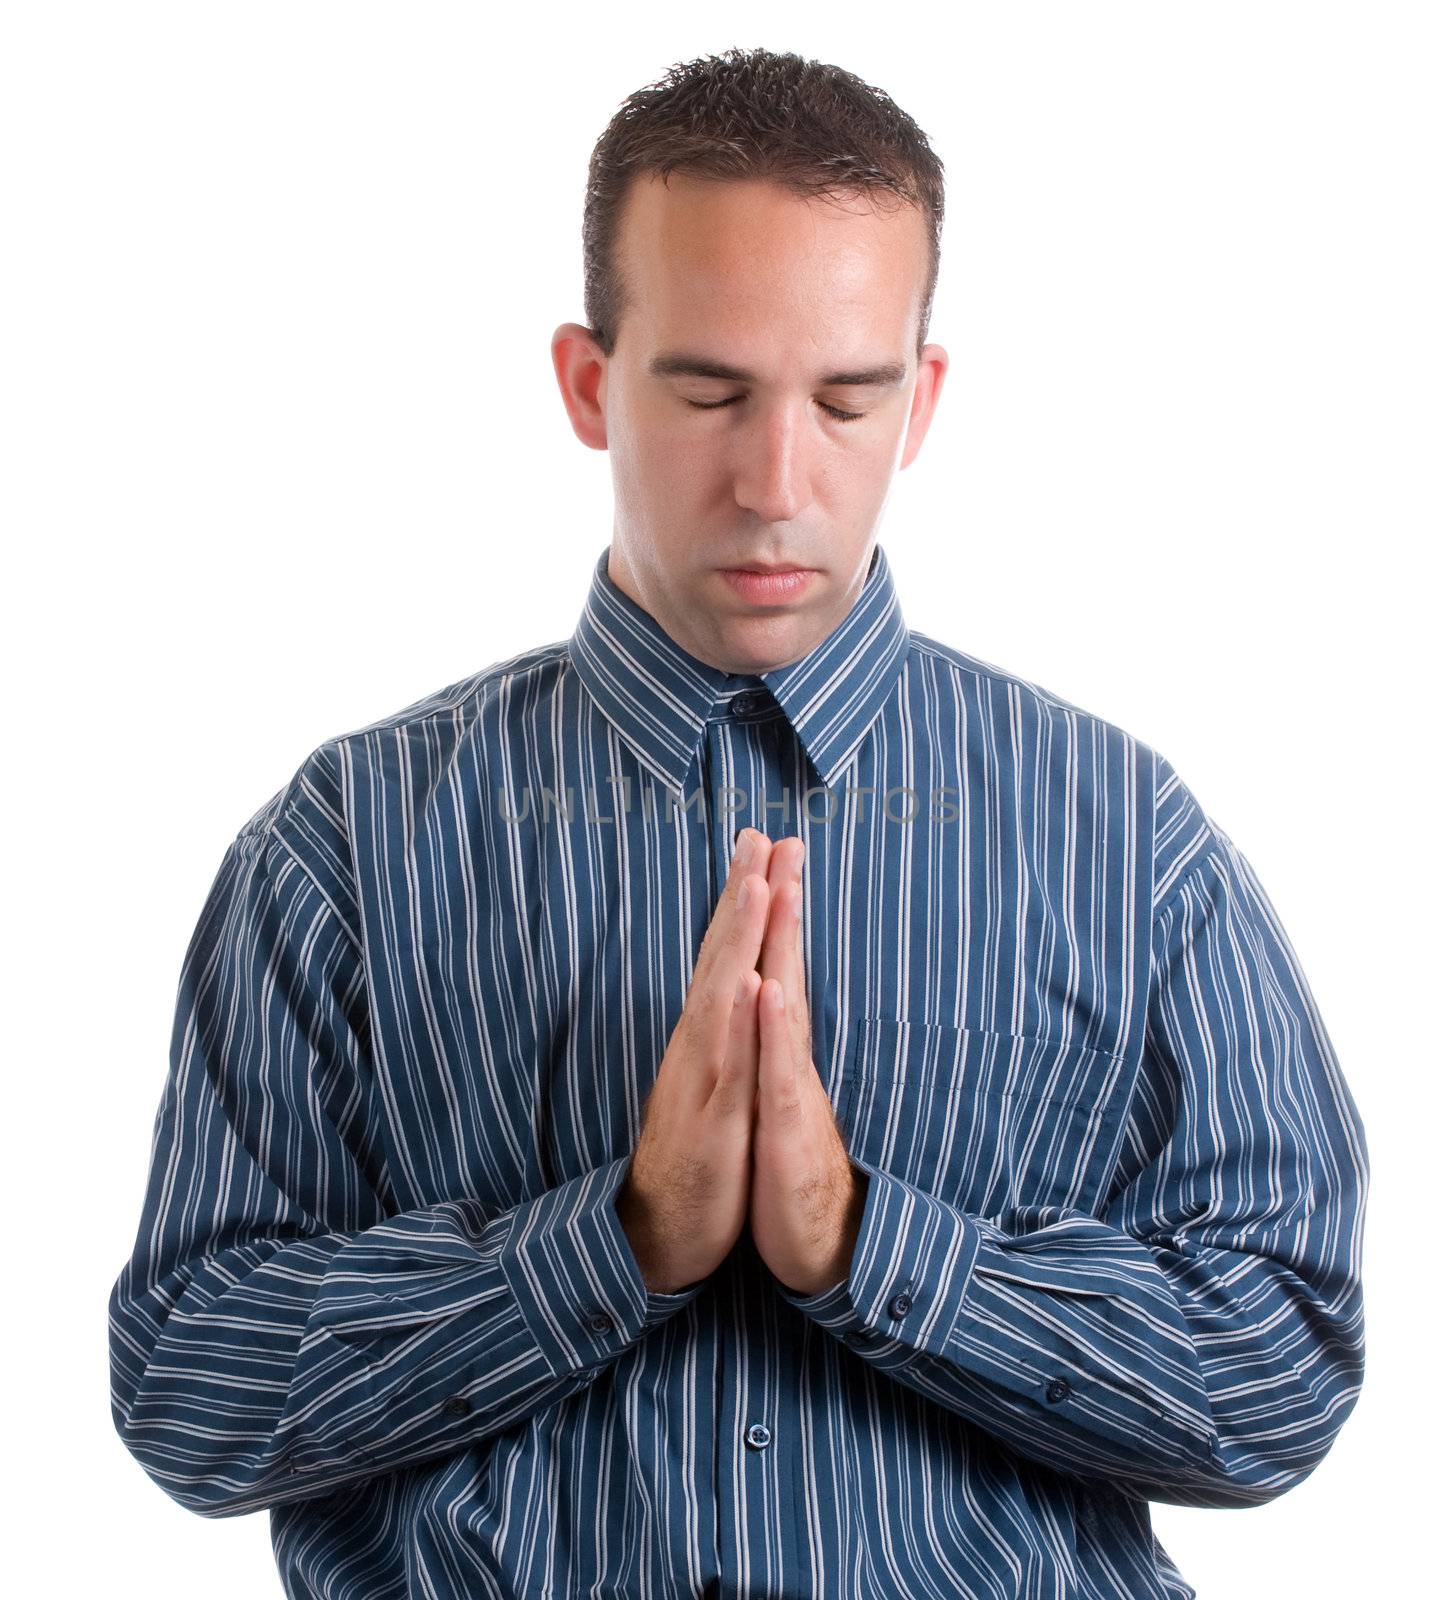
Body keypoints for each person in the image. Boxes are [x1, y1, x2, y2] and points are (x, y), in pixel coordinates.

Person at [107, 45, 1367, 1600]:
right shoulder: (349, 843)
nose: (778, 482)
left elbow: (1282, 1370)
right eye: (708, 392)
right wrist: (611, 1244)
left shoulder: (1120, 834)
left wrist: (867, 1249)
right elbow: (187, 1391)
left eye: (848, 399)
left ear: (923, 401)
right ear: (588, 383)